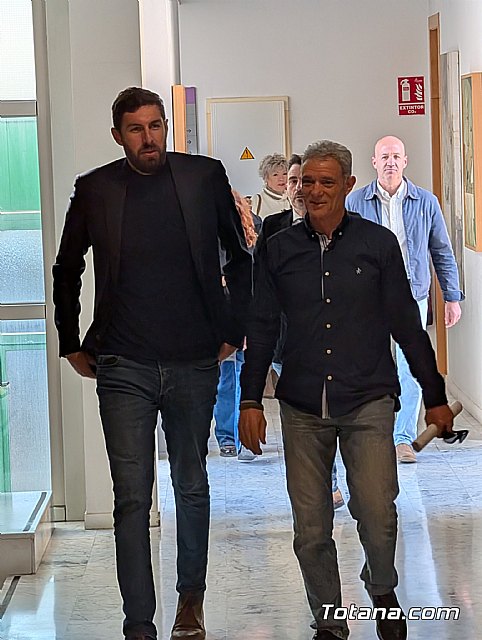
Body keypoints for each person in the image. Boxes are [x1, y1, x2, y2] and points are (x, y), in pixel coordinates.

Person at [52, 87, 252, 640]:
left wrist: (232, 331)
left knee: (191, 484)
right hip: (124, 364)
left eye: (156, 125)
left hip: (194, 359)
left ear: (167, 127)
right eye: (136, 129)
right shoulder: (96, 189)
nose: (149, 138)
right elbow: (67, 267)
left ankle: (190, 603)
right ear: (118, 136)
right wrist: (70, 341)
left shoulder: (203, 176)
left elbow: (239, 258)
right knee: (132, 498)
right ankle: (138, 621)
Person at [238, 140, 454, 640]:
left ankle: (381, 588)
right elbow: (262, 326)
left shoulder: (378, 245)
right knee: (311, 526)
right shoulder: (278, 249)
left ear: (349, 186)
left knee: (377, 514)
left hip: (367, 399)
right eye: (307, 182)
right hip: (302, 404)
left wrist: (435, 396)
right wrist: (249, 400)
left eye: (327, 182)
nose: (314, 191)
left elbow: (406, 325)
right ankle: (329, 620)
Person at [346, 135, 463, 463]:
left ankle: (402, 438)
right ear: (374, 162)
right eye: (384, 157)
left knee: (411, 369)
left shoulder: (425, 202)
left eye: (396, 156)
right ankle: (373, 434)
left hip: (412, 295)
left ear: (405, 161)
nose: (390, 162)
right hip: (366, 299)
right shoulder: (355, 202)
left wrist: (451, 297)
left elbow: (441, 251)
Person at [254, 154, 344, 509]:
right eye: (292, 182)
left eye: (302, 181)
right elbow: (259, 286)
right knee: (302, 415)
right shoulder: (272, 228)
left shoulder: (339, 227)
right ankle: (311, 484)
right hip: (284, 344)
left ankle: (329, 481)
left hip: (329, 343)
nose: (297, 189)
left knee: (327, 412)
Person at [214, 190, 261, 462]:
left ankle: (246, 439)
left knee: (246, 377)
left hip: (249, 310)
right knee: (226, 381)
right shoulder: (209, 229)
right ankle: (227, 437)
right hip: (223, 313)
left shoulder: (256, 226)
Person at [250, 153, 290, 219]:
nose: (281, 178)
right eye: (275, 175)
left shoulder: (292, 199)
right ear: (266, 178)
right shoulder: (257, 201)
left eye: (284, 174)